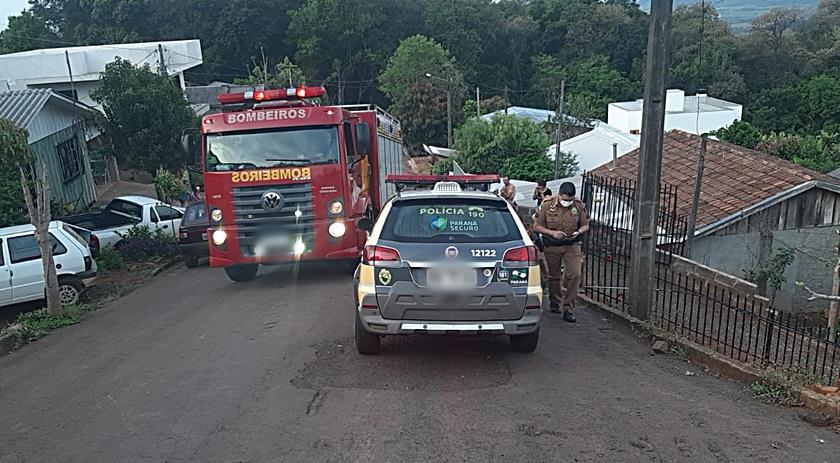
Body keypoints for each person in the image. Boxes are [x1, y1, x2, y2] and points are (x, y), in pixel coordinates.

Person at [532, 181, 589, 322]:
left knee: (575, 274)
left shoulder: (578, 205)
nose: (567, 202)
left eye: (570, 200)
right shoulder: (547, 204)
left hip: (572, 244)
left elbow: (585, 225)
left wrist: (578, 232)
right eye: (565, 199)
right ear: (559, 195)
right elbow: (536, 226)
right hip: (552, 245)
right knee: (554, 276)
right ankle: (555, 301)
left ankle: (569, 308)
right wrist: (552, 233)